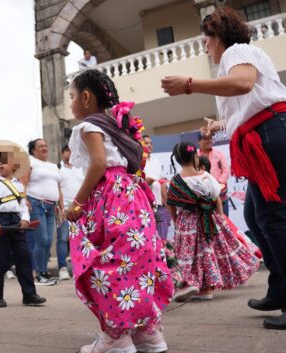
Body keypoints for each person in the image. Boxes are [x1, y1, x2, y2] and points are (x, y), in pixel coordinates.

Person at [161, 6, 286, 330]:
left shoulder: (237, 53)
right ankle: (281, 290)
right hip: (276, 134)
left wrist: (191, 84)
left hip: (277, 134)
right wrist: (219, 126)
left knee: (273, 218)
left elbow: (245, 84)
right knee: (254, 214)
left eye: (205, 41)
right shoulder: (235, 62)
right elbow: (249, 103)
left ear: (217, 36)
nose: (204, 47)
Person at [65, 69, 173, 353]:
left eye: (72, 96)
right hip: (133, 196)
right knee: (136, 261)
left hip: (109, 197)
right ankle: (148, 333)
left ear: (86, 98)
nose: (72, 102)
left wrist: (77, 202)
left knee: (103, 260)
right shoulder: (118, 126)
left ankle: (115, 337)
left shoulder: (89, 126)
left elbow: (98, 164)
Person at [166, 142, 260, 301]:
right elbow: (217, 197)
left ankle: (192, 284)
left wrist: (176, 222)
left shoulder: (176, 181)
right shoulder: (205, 175)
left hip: (187, 224)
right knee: (207, 252)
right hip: (209, 220)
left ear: (177, 159)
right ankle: (207, 289)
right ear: (196, 157)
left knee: (190, 255)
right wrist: (221, 217)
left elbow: (172, 205)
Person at [0, 140, 47, 308]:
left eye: (4, 162)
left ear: (14, 166)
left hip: (17, 222)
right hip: (0, 221)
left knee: (24, 257)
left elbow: (22, 205)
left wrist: (25, 219)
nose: (0, 164)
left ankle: (29, 294)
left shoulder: (19, 184)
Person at [25, 138, 63, 285]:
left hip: (51, 207)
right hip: (36, 203)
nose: (44, 148)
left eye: (46, 145)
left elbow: (58, 188)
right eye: (40, 146)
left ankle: (44, 273)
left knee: (48, 242)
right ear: (33, 150)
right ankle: (38, 274)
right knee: (42, 240)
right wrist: (24, 200)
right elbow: (24, 182)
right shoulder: (30, 162)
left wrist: (62, 207)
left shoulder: (53, 166)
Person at [57, 145, 84, 280]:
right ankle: (62, 268)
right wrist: (61, 207)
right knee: (63, 238)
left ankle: (78, 267)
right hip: (64, 208)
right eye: (67, 150)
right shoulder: (58, 168)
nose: (70, 153)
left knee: (80, 239)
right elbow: (57, 189)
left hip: (80, 208)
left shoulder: (80, 168)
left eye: (72, 150)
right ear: (62, 153)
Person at [143, 135, 172, 240]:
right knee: (149, 239)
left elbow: (162, 183)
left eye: (150, 143)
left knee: (162, 239)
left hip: (159, 206)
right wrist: (146, 182)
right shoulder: (138, 162)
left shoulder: (156, 161)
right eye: (146, 143)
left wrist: (168, 205)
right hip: (145, 206)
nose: (149, 145)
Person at [198, 132, 231, 215]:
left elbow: (226, 171)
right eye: (205, 138)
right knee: (208, 224)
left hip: (220, 193)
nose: (209, 141)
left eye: (210, 138)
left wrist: (217, 185)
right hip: (203, 197)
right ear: (198, 141)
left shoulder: (219, 153)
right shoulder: (195, 156)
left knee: (225, 223)